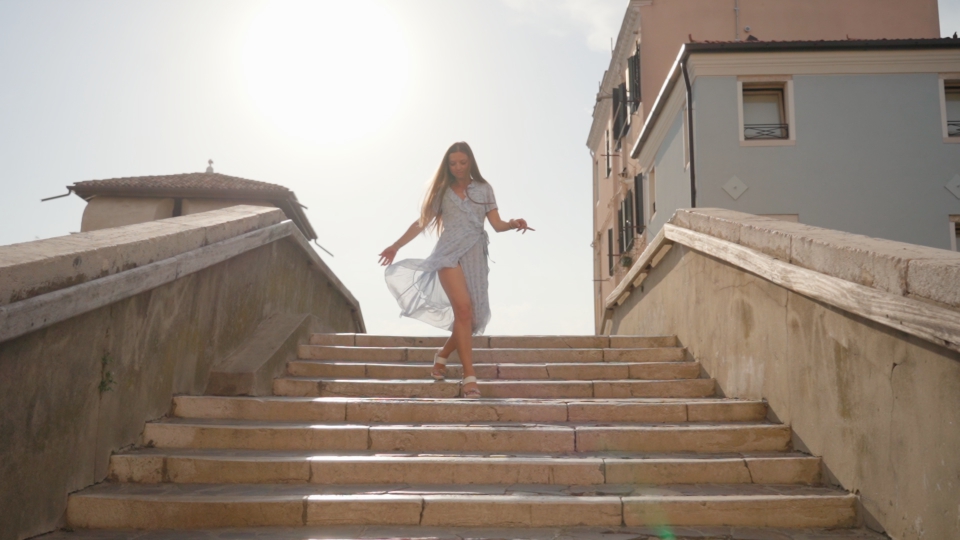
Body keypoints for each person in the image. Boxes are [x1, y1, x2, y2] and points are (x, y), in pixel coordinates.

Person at [378, 142, 533, 398]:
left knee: (470, 319)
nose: (458, 167)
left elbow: (496, 224)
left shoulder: (484, 189)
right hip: (448, 254)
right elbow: (422, 222)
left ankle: (442, 355)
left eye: (462, 162)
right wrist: (395, 245)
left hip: (475, 254)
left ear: (470, 161)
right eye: (453, 163)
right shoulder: (442, 191)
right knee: (462, 309)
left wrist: (514, 223)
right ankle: (469, 377)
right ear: (447, 166)